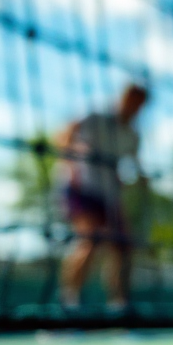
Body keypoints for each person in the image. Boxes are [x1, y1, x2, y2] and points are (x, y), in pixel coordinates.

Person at [58, 83, 148, 310]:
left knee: (123, 247)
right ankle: (69, 305)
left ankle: (119, 307)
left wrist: (135, 181)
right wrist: (71, 164)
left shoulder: (132, 135)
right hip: (81, 188)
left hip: (108, 194)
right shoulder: (95, 116)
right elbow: (65, 134)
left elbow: (135, 165)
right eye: (130, 98)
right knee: (89, 241)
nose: (132, 106)